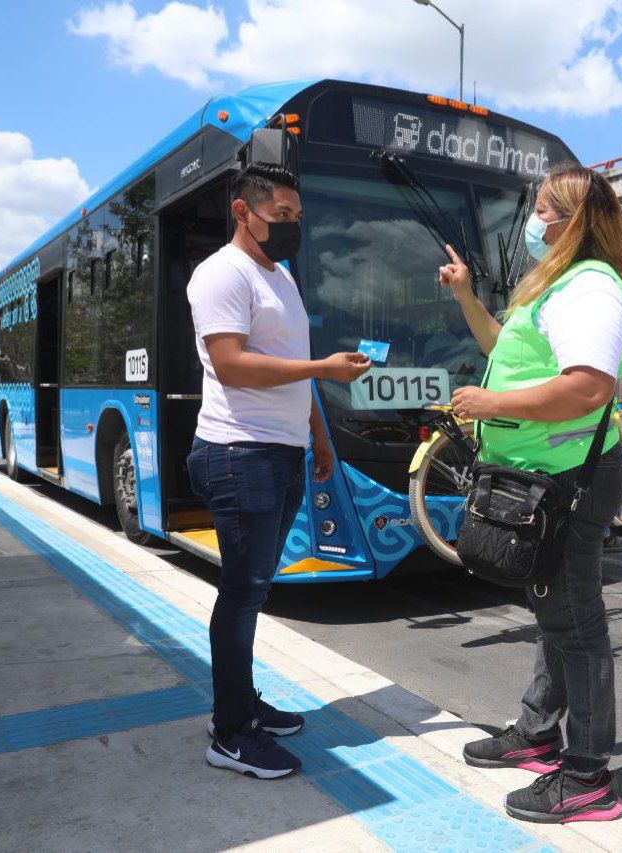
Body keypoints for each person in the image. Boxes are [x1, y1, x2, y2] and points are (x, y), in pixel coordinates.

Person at [438, 162, 622, 822]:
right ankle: (537, 732)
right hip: (540, 478)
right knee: (552, 607)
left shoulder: (591, 287)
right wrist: (467, 296)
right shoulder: (559, 286)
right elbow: (508, 349)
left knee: (575, 620)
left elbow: (586, 388)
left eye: (540, 211)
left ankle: (586, 773)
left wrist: (491, 401)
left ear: (568, 221)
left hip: (568, 483)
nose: (531, 223)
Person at [186, 162, 371, 780]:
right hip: (239, 453)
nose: (292, 227)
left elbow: (291, 367)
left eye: (297, 216)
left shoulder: (282, 276)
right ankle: (230, 731)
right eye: (281, 216)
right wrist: (323, 370)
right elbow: (233, 365)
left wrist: (319, 439)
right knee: (241, 593)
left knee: (256, 587)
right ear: (244, 212)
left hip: (282, 452)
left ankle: (246, 704)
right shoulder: (220, 274)